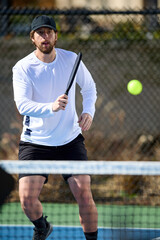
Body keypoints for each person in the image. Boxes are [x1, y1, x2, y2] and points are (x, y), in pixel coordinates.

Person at [12, 15, 98, 240]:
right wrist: (51, 106)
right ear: (33, 38)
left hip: (70, 140)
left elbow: (89, 88)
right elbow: (23, 105)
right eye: (40, 33)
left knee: (84, 196)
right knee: (26, 200)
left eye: (49, 31)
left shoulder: (71, 61)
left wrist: (89, 111)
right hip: (35, 142)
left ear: (56, 35)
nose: (45, 36)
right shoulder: (22, 68)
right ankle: (42, 227)